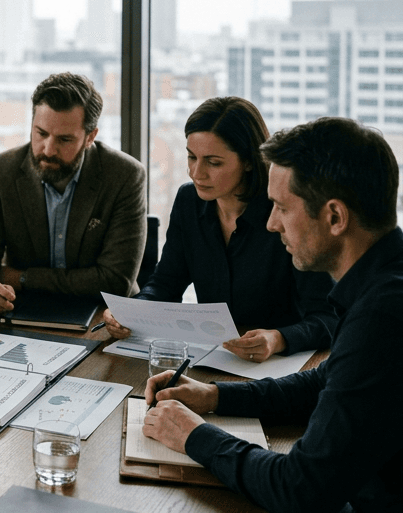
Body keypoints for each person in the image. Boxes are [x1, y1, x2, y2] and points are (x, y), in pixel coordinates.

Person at [141, 117, 403, 513]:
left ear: (334, 217)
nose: (271, 224)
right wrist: (214, 396)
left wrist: (195, 436)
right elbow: (324, 379)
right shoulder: (382, 283)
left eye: (283, 208)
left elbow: (302, 489)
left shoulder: (384, 315)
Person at [98, 97, 335, 361]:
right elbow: (166, 283)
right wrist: (132, 313)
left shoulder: (284, 211)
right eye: (191, 157)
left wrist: (278, 338)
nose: (196, 173)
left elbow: (328, 317)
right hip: (214, 358)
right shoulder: (189, 201)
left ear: (247, 160)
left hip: (280, 366)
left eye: (213, 162)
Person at [0, 72, 146, 316]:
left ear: (90, 137)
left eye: (64, 139)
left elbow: (114, 281)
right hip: (22, 311)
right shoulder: (0, 171)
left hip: (106, 318)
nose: (48, 149)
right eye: (41, 133)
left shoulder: (125, 175)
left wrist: (23, 278)